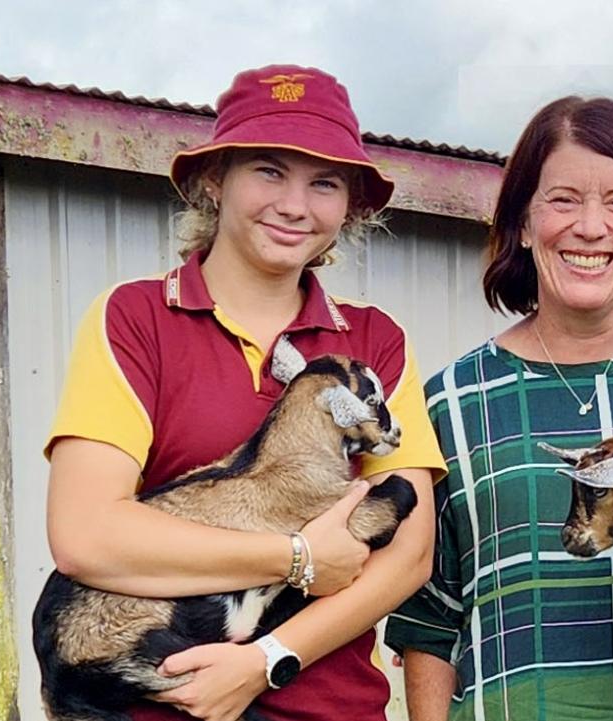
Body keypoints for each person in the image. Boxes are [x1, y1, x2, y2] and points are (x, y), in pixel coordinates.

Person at [44, 65, 446, 721]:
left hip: (331, 706)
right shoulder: (134, 317)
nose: (295, 204)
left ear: (349, 204)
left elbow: (409, 553)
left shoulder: (373, 338)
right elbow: (86, 533)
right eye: (267, 170)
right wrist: (299, 558)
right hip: (168, 702)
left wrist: (267, 659)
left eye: (324, 183)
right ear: (213, 178)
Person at [382, 96, 613, 721]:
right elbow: (429, 620)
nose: (589, 226)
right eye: (562, 200)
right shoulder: (450, 400)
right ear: (523, 223)